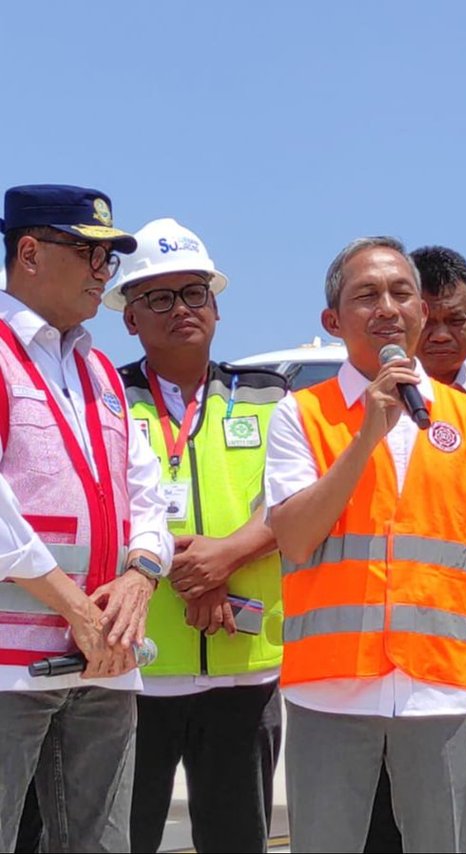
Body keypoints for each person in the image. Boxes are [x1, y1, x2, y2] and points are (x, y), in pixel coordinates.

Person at [265, 236, 466, 854]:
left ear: (419, 310)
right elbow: (298, 538)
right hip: (331, 689)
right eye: (367, 295)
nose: (387, 306)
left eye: (400, 292)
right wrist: (367, 435)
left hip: (441, 688)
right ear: (333, 321)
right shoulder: (300, 414)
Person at [102, 217, 287, 854]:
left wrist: (226, 558)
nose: (180, 309)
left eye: (194, 293)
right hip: (133, 671)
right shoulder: (104, 397)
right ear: (128, 316)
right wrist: (192, 574)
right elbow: (111, 506)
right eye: (157, 296)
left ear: (215, 304)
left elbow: (295, 503)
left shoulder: (270, 395)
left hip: (245, 668)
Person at [0, 185, 173, 854]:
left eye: (110, 256)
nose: (106, 270)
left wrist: (140, 576)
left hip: (104, 662)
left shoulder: (100, 370)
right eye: (91, 252)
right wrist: (76, 606)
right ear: (31, 251)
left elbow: (150, 492)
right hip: (12, 665)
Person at [365, 244, 466, 854]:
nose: (438, 334)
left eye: (455, 320)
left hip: (454, 682)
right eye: (426, 318)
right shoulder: (355, 412)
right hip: (367, 683)